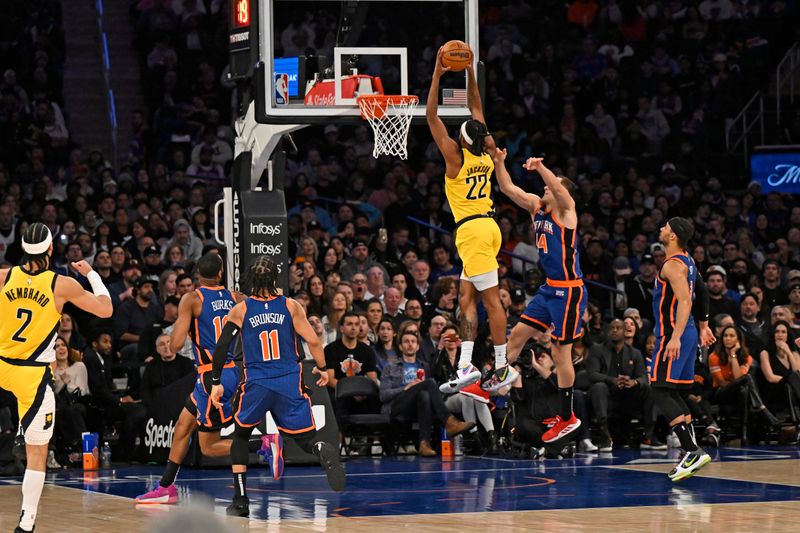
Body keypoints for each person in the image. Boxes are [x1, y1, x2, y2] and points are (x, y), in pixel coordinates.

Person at [209, 257, 345, 517]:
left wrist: (216, 382)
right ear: (275, 279)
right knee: (305, 438)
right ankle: (321, 449)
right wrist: (323, 368)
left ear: (250, 279)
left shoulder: (241, 309)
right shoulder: (291, 306)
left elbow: (222, 348)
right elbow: (314, 341)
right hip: (289, 381)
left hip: (257, 383)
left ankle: (241, 500)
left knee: (240, 437)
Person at [0, 223, 112, 533]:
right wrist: (91, 274)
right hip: (33, 375)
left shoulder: (4, 276)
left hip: (2, 366)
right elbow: (105, 309)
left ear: (23, 250)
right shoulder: (60, 284)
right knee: (37, 453)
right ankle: (26, 522)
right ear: (51, 249)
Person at [489, 149, 586, 443]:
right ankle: (498, 375)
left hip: (569, 290)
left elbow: (557, 188)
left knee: (560, 351)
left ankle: (567, 417)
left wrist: (542, 168)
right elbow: (507, 188)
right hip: (548, 288)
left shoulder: (567, 212)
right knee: (517, 335)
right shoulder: (537, 207)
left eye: (551, 185)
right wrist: (499, 163)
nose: (545, 187)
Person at [427, 47, 506, 394]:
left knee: (490, 302)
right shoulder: (485, 151)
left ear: (462, 140)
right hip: (486, 227)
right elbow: (477, 108)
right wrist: (471, 72)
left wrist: (437, 74)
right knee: (465, 300)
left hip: (473, 230)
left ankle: (502, 366)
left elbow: (431, 117)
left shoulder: (454, 158)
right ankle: (466, 365)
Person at [136, 253, 240, 504]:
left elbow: (177, 343)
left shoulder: (192, 299)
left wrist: (186, 329)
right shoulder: (236, 297)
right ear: (220, 274)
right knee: (182, 427)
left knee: (208, 447)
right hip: (232, 370)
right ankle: (166, 488)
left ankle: (263, 445)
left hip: (210, 376)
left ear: (196, 277)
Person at [648, 218, 715, 482]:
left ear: (673, 235)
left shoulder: (673, 265)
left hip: (673, 333)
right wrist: (704, 326)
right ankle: (691, 450)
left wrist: (674, 338)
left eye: (664, 226)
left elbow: (687, 300)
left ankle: (691, 450)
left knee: (659, 388)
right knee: (673, 390)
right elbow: (702, 290)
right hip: (687, 331)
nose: (661, 228)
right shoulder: (688, 260)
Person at [380, 331, 475, 456]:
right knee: (429, 383)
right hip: (397, 406)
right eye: (406, 342)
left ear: (418, 346)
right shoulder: (390, 367)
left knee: (424, 395)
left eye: (413, 342)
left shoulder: (426, 366)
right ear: (400, 346)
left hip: (419, 407)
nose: (410, 344)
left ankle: (424, 444)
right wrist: (406, 387)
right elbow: (383, 395)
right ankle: (449, 421)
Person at [759, 320, 800, 422]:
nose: (780, 335)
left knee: (789, 385)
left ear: (787, 335)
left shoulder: (794, 353)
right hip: (773, 391)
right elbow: (770, 377)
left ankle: (797, 421)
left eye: (783, 332)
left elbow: (797, 373)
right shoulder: (765, 353)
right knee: (790, 382)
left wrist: (788, 352)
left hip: (791, 390)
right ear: (773, 334)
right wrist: (789, 379)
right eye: (777, 331)